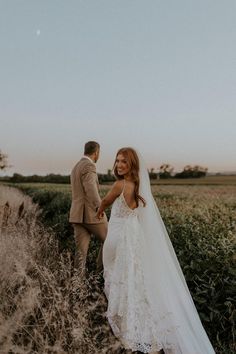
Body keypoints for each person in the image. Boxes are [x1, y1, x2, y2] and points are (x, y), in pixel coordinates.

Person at [96, 147, 215, 354]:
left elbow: (105, 202)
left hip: (117, 238)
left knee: (118, 280)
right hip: (131, 237)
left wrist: (99, 210)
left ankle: (127, 329)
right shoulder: (138, 186)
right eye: (117, 161)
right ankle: (140, 326)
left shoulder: (120, 184)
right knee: (133, 281)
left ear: (132, 164)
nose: (119, 165)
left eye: (124, 161)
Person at [69, 141, 107, 273]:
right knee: (110, 240)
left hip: (77, 215)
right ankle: (99, 274)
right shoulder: (89, 166)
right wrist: (100, 207)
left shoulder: (76, 167)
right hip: (91, 214)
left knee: (80, 253)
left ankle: (77, 286)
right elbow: (90, 188)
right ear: (96, 152)